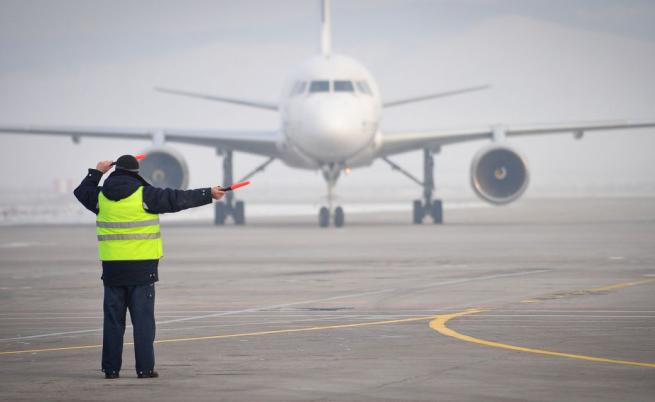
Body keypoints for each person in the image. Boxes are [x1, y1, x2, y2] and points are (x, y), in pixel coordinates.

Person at [73, 155, 225, 379]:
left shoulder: (100, 198)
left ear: (116, 172)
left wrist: (97, 172)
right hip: (143, 271)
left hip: (113, 272)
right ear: (136, 173)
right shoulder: (146, 195)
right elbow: (178, 198)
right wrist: (208, 193)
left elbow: (81, 192)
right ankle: (144, 369)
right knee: (143, 323)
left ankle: (111, 370)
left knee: (113, 323)